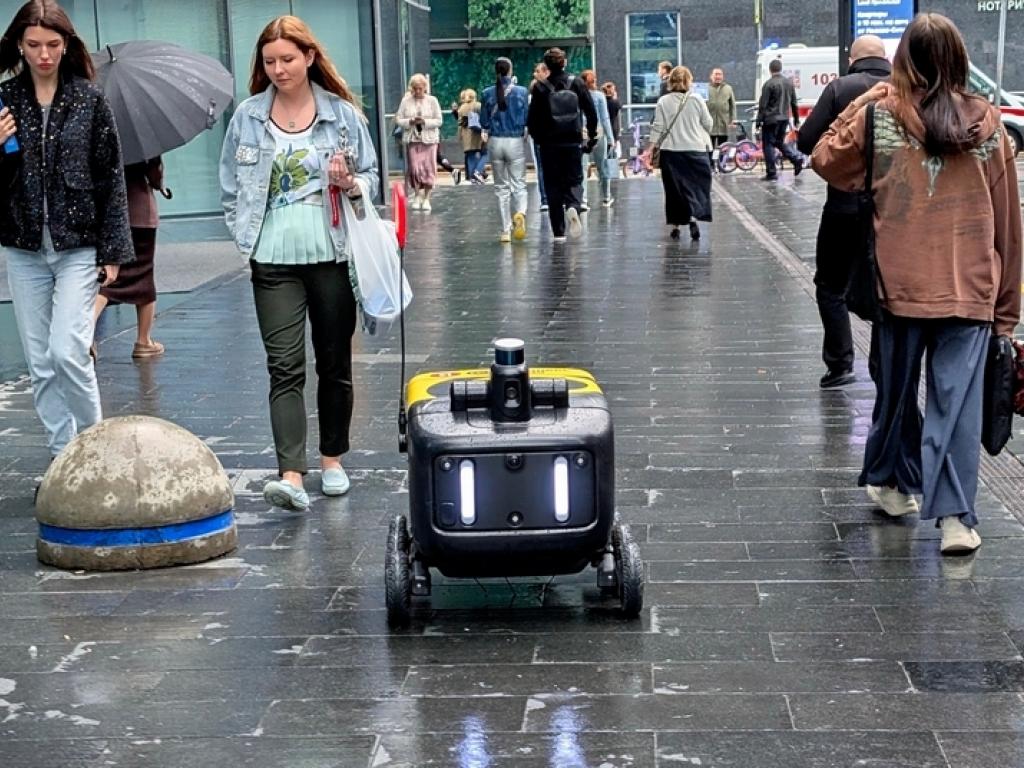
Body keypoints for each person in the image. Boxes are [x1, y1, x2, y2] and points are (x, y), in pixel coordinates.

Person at [812, 12, 1022, 554]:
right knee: (955, 405)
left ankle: (892, 481)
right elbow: (1009, 226)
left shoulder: (881, 115)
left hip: (898, 287)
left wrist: (865, 98)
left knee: (897, 394)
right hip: (970, 289)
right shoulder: (990, 125)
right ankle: (954, 518)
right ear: (958, 60)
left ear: (903, 59)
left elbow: (824, 158)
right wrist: (1007, 311)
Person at [219, 14, 378, 512]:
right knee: (284, 365)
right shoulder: (247, 115)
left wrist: (351, 183)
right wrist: (244, 231)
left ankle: (332, 459)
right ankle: (290, 472)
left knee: (334, 362)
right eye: (269, 62)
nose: (278, 69)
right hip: (271, 259)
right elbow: (230, 185)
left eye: (287, 59)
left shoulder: (343, 115)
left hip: (331, 252)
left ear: (309, 57)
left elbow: (371, 176)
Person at [0, 0, 133, 460]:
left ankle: (91, 452)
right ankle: (63, 460)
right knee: (40, 363)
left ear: (66, 45)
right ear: (19, 44)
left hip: (79, 244)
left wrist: (114, 250)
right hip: (22, 246)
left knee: (67, 352)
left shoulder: (89, 99)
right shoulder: (5, 100)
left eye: (53, 45)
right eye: (34, 44)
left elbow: (110, 175)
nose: (43, 54)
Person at [797, 35, 891, 389]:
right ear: (885, 58)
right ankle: (884, 365)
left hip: (843, 205)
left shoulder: (840, 88)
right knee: (890, 289)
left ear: (852, 58)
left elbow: (807, 141)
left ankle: (840, 364)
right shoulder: (907, 89)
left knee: (830, 285)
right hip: (894, 209)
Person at [94, 157, 171, 360]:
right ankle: (143, 340)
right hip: (140, 214)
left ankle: (84, 335)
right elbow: (155, 178)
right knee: (142, 276)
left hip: (106, 215)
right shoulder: (142, 140)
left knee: (109, 279)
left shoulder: (99, 134)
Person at [526, 47, 597, 242]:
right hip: (572, 141)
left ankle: (558, 232)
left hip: (549, 144)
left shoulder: (540, 88)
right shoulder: (577, 84)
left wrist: (539, 139)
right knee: (574, 179)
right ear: (564, 62)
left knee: (552, 184)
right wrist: (590, 136)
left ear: (546, 66)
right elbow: (591, 112)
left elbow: (532, 120)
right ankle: (573, 205)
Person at [642, 65, 713, 241]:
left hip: (671, 152)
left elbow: (657, 127)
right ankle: (694, 216)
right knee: (696, 187)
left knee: (674, 191)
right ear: (689, 81)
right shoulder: (697, 99)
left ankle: (675, 225)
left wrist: (649, 150)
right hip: (696, 151)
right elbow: (708, 124)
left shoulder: (663, 102)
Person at [479, 57, 529, 243]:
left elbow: (484, 121)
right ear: (510, 70)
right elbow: (526, 117)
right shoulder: (522, 92)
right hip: (515, 141)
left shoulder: (486, 93)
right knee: (519, 184)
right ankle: (521, 214)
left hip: (495, 141)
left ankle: (505, 230)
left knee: (501, 187)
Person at [395, 74, 442, 211]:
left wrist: (425, 121)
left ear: (425, 88)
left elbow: (439, 120)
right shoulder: (406, 101)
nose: (417, 92)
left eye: (420, 89)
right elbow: (398, 118)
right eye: (414, 89)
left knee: (429, 168)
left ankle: (427, 197)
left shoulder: (432, 100)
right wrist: (410, 121)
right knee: (414, 168)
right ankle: (416, 194)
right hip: (413, 138)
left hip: (429, 139)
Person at [756, 58, 804, 180]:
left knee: (768, 145)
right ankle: (795, 158)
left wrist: (758, 121)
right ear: (780, 69)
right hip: (784, 118)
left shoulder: (768, 84)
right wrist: (796, 119)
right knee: (779, 142)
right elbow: (794, 103)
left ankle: (771, 172)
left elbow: (763, 105)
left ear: (770, 69)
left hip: (771, 119)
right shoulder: (789, 83)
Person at [578, 69, 615, 209]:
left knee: (582, 167)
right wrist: (611, 137)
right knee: (602, 166)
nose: (594, 83)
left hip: (583, 133)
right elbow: (605, 118)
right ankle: (606, 196)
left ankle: (583, 199)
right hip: (598, 132)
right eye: (592, 81)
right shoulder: (599, 96)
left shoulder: (578, 95)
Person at [529, 61, 550, 212]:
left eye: (538, 71)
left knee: (545, 167)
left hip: (544, 135)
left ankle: (546, 199)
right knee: (544, 167)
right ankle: (546, 198)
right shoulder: (534, 94)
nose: (535, 74)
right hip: (543, 135)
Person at [455, 88, 487, 183]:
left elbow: (460, 123)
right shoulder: (478, 105)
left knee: (470, 155)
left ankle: (472, 176)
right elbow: (484, 118)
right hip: (477, 134)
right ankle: (478, 171)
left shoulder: (461, 108)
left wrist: (459, 136)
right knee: (485, 153)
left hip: (466, 135)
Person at [706, 67, 736, 168]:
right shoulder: (706, 88)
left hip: (724, 123)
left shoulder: (728, 88)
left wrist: (733, 119)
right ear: (711, 76)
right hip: (710, 124)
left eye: (720, 74)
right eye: (716, 74)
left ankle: (721, 164)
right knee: (710, 146)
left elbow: (733, 105)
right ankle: (710, 165)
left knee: (723, 146)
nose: (718, 76)